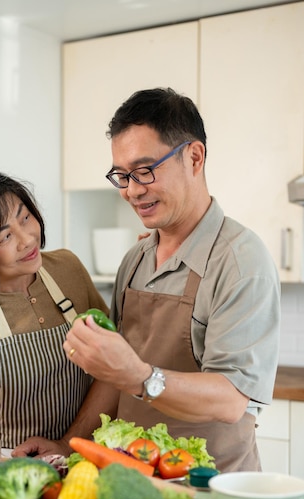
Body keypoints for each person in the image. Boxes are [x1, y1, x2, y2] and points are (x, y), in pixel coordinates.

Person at [24, 87, 281, 473]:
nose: (132, 190)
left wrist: (140, 376)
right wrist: (68, 443)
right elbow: (116, 375)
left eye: (145, 170)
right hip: (131, 482)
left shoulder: (241, 261)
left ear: (194, 157)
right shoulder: (136, 259)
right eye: (122, 175)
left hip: (210, 489)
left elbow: (232, 399)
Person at [0, 170, 109, 487]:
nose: (27, 239)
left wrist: (70, 442)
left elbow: (111, 363)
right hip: (16, 471)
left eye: (25, 217)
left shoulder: (67, 268)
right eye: (5, 236)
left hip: (89, 458)